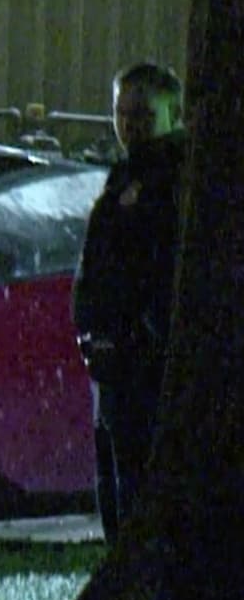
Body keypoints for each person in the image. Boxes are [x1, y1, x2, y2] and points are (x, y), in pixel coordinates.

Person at [72, 62, 186, 541]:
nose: (129, 124)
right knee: (115, 473)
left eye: (143, 114)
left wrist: (137, 336)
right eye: (122, 112)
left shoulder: (169, 179)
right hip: (111, 356)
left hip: (138, 360)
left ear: (173, 114)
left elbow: (152, 271)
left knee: (134, 476)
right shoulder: (127, 175)